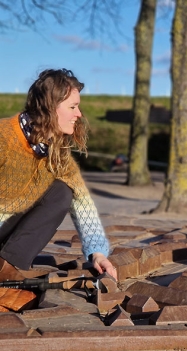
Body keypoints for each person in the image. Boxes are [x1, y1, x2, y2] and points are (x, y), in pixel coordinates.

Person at [0, 68, 117, 281]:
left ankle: (7, 267)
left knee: (62, 192)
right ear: (50, 108)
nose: (79, 114)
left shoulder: (56, 152)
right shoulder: (4, 136)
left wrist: (98, 253)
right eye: (73, 107)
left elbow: (83, 202)